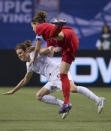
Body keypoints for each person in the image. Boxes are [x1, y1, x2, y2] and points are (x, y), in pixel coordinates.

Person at [2, 40, 105, 119]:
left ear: (26, 51)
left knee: (73, 89)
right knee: (39, 96)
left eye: (21, 53)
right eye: (18, 54)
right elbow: (25, 79)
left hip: (59, 72)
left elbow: (45, 50)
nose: (20, 55)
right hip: (52, 79)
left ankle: (98, 100)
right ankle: (65, 105)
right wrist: (13, 91)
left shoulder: (35, 53)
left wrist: (52, 48)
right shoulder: (28, 64)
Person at [30, 10, 79, 114]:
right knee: (63, 74)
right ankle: (66, 103)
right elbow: (49, 53)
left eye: (32, 26)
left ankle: (58, 25)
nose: (33, 29)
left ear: (36, 24)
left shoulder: (40, 27)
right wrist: (51, 49)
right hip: (70, 44)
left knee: (56, 35)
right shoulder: (47, 36)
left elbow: (38, 47)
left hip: (66, 35)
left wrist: (34, 57)